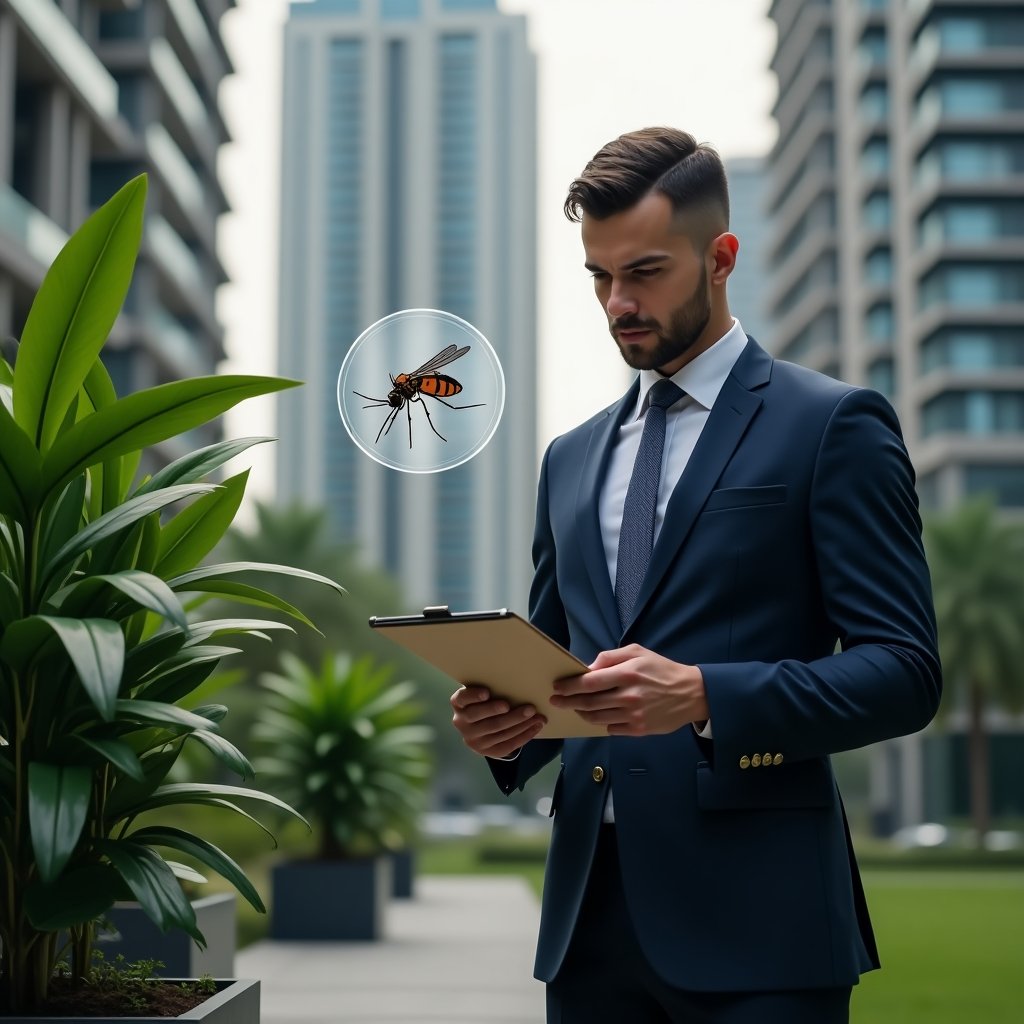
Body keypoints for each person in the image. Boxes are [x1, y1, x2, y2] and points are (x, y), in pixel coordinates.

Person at [449, 127, 941, 1023]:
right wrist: (510, 727)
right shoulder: (568, 458)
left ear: (721, 258)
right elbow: (562, 665)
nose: (617, 303)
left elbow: (905, 673)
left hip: (764, 928)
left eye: (645, 272)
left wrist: (708, 694)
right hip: (586, 927)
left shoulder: (833, 425)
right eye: (598, 277)